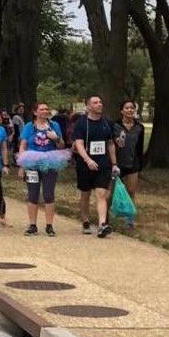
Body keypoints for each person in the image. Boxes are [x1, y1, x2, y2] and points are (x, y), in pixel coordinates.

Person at [17, 101, 68, 235]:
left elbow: (62, 145)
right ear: (35, 112)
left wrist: (56, 138)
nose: (45, 111)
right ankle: (32, 225)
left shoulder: (54, 125)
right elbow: (23, 145)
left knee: (49, 194)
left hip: (50, 161)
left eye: (47, 109)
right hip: (32, 162)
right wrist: (22, 165)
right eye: (42, 109)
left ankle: (49, 225)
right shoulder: (29, 126)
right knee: (32, 194)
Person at [71, 95, 118, 237]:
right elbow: (78, 144)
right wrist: (87, 160)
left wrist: (114, 163)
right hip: (85, 164)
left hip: (103, 163)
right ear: (88, 107)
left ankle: (102, 224)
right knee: (85, 193)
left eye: (100, 102)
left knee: (101, 193)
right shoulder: (81, 123)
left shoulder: (107, 123)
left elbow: (110, 144)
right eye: (95, 102)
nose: (99, 104)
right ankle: (85, 221)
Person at [114, 100, 145, 213]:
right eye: (127, 108)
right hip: (117, 163)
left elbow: (140, 148)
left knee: (131, 191)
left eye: (132, 108)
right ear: (121, 111)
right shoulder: (115, 125)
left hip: (133, 163)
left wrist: (140, 166)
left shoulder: (139, 127)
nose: (130, 110)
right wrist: (116, 141)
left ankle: (130, 217)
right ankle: (110, 215)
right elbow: (110, 144)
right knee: (113, 191)